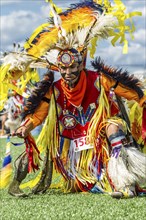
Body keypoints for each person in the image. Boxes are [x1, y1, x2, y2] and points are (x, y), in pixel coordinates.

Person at [1, 0, 146, 199]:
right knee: (82, 182)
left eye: (72, 68)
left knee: (113, 126)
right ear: (58, 69)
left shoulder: (99, 80)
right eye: (64, 69)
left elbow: (133, 93)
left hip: (101, 142)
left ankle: (125, 183)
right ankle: (98, 179)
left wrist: (142, 100)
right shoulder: (55, 90)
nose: (68, 72)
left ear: (80, 65)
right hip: (73, 152)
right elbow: (38, 115)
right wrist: (26, 127)